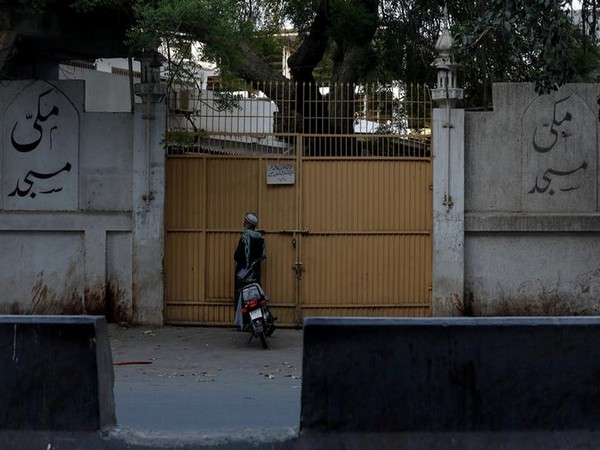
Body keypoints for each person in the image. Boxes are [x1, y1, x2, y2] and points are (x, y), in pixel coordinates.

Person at [233, 212, 266, 315]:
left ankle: (243, 319)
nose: (243, 222)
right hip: (255, 270)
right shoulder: (260, 238)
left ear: (248, 223)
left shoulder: (245, 237)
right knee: (255, 294)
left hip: (244, 270)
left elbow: (237, 255)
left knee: (241, 291)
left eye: (245, 221)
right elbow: (262, 255)